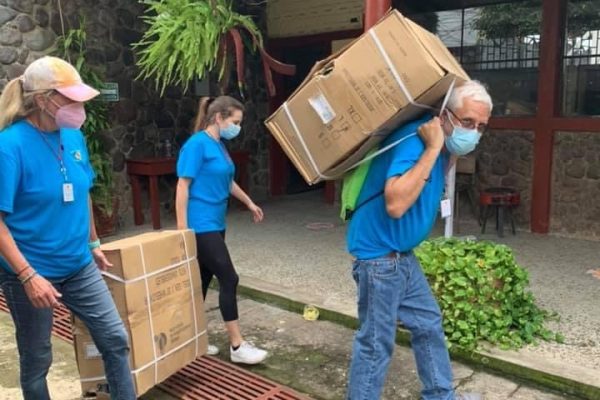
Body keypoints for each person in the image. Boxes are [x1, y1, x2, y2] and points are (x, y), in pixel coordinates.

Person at [345, 80, 493, 400]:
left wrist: (443, 150)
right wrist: (431, 148)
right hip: (379, 258)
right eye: (467, 122)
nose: (474, 132)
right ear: (444, 114)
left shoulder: (444, 146)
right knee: (375, 344)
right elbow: (396, 204)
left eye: (481, 127)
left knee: (427, 323)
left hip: (401, 255)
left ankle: (440, 396)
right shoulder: (417, 140)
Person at [0, 56, 135, 399]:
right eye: (71, 99)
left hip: (78, 265)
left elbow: (82, 192)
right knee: (37, 359)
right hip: (29, 272)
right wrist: (28, 276)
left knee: (115, 339)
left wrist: (93, 243)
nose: (79, 107)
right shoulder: (9, 147)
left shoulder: (73, 137)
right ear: (44, 99)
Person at [176, 95, 268, 365]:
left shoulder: (220, 145)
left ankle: (192, 341)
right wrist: (183, 229)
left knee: (203, 281)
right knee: (229, 278)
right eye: (235, 122)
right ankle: (237, 346)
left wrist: (250, 202)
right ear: (219, 118)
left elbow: (228, 182)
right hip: (200, 223)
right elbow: (183, 185)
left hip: (216, 222)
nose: (237, 127)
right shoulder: (197, 145)